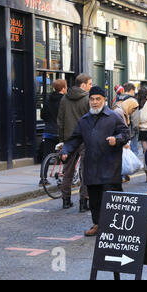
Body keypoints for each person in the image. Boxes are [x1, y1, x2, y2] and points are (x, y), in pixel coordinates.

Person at [61, 86, 130, 236]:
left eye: (98, 99)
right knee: (94, 200)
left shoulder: (113, 117)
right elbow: (74, 139)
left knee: (112, 199)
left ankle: (115, 227)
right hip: (92, 167)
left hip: (110, 167)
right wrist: (65, 151)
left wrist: (116, 139)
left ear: (104, 100)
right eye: (92, 99)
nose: (94, 102)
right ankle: (97, 224)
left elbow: (125, 133)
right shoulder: (84, 120)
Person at [57, 74, 92, 211]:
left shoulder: (65, 98)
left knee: (67, 172)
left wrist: (62, 140)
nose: (90, 86)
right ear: (83, 85)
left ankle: (66, 201)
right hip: (84, 140)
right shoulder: (87, 99)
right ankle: (83, 203)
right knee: (86, 171)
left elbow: (60, 121)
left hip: (69, 140)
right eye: (89, 84)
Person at [40, 79, 67, 163]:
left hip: (49, 130)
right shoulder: (65, 101)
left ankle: (44, 173)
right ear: (63, 89)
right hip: (61, 131)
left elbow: (43, 115)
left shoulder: (48, 100)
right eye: (66, 87)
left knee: (47, 157)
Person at [114, 97, 140, 182]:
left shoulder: (122, 112)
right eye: (132, 109)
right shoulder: (119, 113)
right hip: (118, 140)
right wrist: (124, 143)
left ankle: (122, 175)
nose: (132, 112)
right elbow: (118, 129)